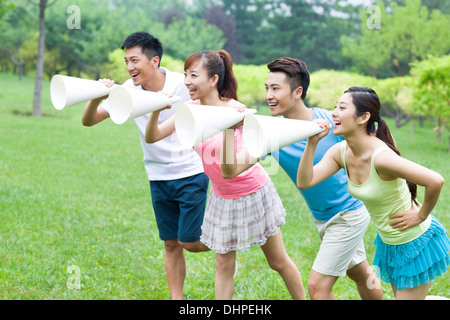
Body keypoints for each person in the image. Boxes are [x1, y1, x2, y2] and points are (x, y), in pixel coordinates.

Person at [145, 49, 306, 300]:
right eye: (186, 74)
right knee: (223, 264)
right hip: (221, 196)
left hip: (253, 191)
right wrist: (156, 107)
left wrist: (233, 126)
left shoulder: (236, 110)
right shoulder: (189, 110)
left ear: (213, 80)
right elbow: (153, 136)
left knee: (277, 261)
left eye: (193, 75)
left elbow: (234, 165)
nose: (186, 81)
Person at [225, 57, 382, 299]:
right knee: (360, 273)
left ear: (298, 91)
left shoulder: (331, 121)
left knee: (318, 287)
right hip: (323, 217)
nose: (269, 95)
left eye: (275, 88)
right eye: (267, 88)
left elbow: (372, 154)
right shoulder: (271, 132)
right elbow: (230, 170)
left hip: (348, 213)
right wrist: (227, 127)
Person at [81, 32, 209, 300]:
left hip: (191, 171)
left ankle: (230, 238)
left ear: (154, 61)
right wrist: (98, 94)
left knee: (189, 241)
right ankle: (178, 300)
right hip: (157, 175)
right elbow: (89, 120)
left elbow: (215, 101)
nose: (129, 67)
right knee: (171, 243)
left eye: (134, 60)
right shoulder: (128, 90)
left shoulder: (182, 84)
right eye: (126, 61)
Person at [297, 86, 450, 300]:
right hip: (390, 244)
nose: (334, 113)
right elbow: (305, 181)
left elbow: (435, 180)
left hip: (416, 242)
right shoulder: (340, 153)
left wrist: (420, 215)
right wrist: (312, 143)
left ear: (363, 117)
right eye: (334, 107)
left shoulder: (381, 158)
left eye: (342, 107)